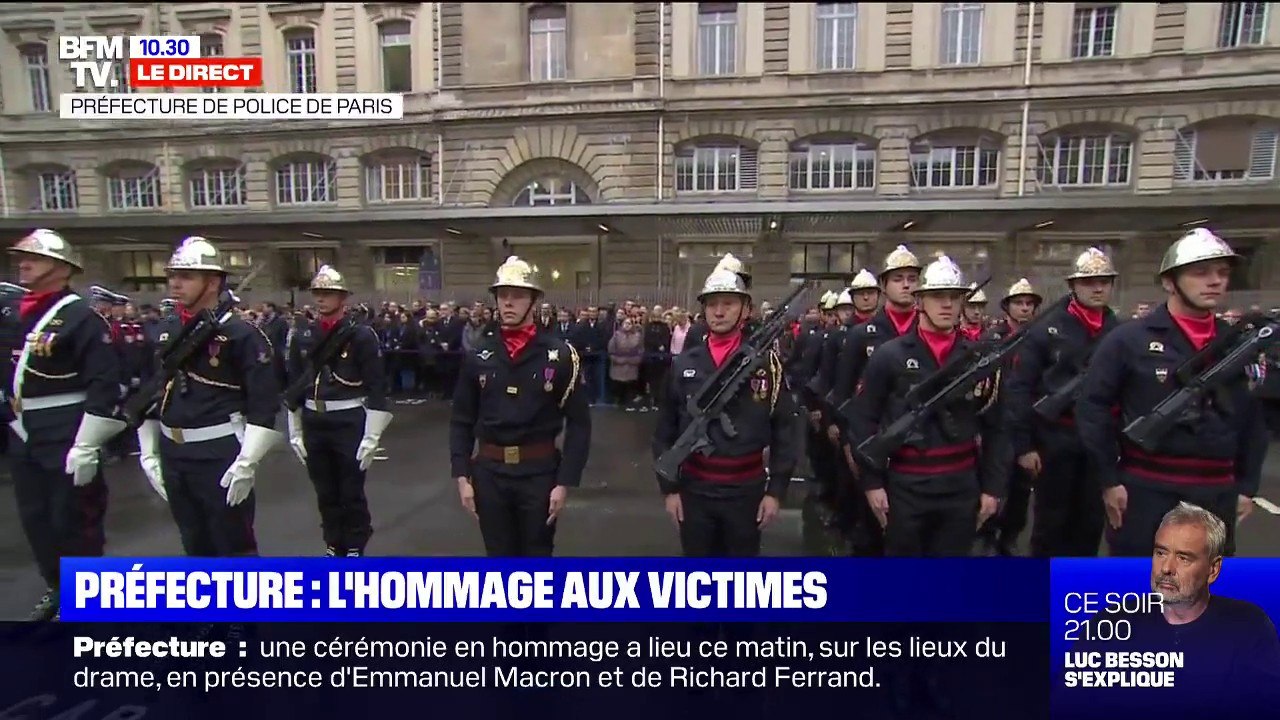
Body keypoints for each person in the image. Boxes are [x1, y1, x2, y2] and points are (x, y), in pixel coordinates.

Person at [1077, 229, 1267, 558]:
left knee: (1207, 582)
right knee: (1138, 582)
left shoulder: (1238, 343)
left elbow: (1253, 418)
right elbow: (1093, 408)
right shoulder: (1128, 340)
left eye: (1222, 272)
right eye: (1201, 272)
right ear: (1169, 282)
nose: (1215, 281)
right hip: (1147, 489)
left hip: (1216, 491)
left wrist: (1247, 485)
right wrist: (1108, 479)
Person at [2, 229, 125, 620]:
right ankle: (57, 587)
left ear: (61, 269)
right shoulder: (16, 313)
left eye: (34, 259)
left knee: (73, 518)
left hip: (67, 428)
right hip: (23, 427)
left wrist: (88, 443)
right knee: (36, 519)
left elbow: (104, 383)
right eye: (21, 258)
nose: (23, 264)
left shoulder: (80, 316)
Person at [136, 236, 282, 557]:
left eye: (186, 276)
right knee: (194, 543)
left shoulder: (242, 334)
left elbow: (264, 404)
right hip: (173, 451)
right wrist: (149, 451)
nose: (175, 284)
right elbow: (152, 392)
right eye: (173, 275)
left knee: (233, 547)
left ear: (213, 281)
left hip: (218, 452)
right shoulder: (168, 329)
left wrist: (247, 462)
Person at [846, 255, 1000, 557]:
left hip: (961, 486)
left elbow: (997, 426)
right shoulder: (889, 355)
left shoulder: (977, 358)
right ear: (919, 301)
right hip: (907, 485)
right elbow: (864, 420)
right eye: (938, 296)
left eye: (954, 297)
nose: (947, 305)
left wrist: (993, 488)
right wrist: (872, 483)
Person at [652, 256, 800, 557]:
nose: (719, 312)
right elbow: (664, 430)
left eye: (729, 304)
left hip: (746, 490)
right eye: (712, 304)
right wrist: (669, 490)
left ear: (745, 309)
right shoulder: (684, 364)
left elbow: (785, 430)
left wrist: (776, 491)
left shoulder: (767, 365)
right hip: (695, 490)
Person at [449, 256, 591, 556]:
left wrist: (565, 481)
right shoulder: (480, 354)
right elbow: (462, 418)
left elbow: (579, 423)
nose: (508, 303)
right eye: (503, 295)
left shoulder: (560, 355)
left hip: (538, 473)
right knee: (498, 556)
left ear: (534, 301)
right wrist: (461, 475)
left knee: (536, 557)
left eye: (517, 295)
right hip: (490, 472)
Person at [285, 265, 392, 557]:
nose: (321, 299)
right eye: (317, 293)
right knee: (325, 489)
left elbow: (376, 386)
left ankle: (355, 542)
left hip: (348, 418)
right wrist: (294, 428)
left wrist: (372, 435)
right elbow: (294, 384)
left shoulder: (360, 335)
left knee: (350, 489)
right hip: (314, 418)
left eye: (328, 293)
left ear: (342, 297)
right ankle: (333, 541)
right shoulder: (304, 334)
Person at [976, 278, 1042, 556]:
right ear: (1007, 307)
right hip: (996, 422)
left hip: (1028, 423)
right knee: (993, 481)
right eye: (1018, 303)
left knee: (1021, 487)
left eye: (1029, 303)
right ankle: (988, 533)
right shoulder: (992, 340)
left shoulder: (1040, 339)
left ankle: (1011, 536)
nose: (1024, 308)